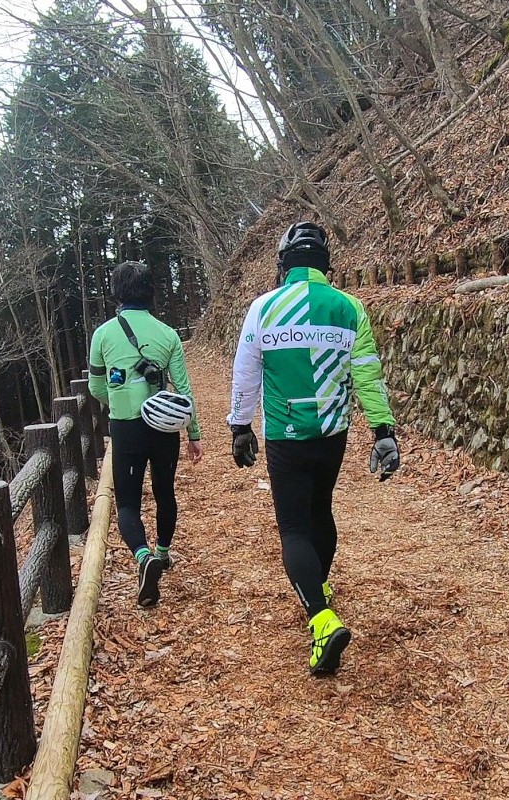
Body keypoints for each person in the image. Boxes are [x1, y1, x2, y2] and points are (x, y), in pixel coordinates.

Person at [227, 222, 400, 675]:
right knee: (321, 510)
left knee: (293, 527)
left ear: (282, 263)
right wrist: (383, 430)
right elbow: (367, 372)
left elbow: (246, 373)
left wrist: (240, 427)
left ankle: (321, 619)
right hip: (333, 431)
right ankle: (317, 588)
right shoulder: (349, 307)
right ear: (327, 265)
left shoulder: (262, 307)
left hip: (286, 432)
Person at [89, 261, 203, 608]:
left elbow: (96, 386)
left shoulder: (103, 334)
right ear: (150, 292)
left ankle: (142, 556)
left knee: (127, 502)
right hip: (163, 427)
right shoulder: (168, 334)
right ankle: (163, 553)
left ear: (117, 293)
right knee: (165, 492)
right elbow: (182, 389)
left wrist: (118, 400)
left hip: (126, 427)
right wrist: (193, 434)